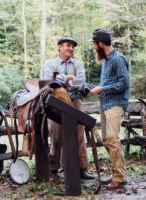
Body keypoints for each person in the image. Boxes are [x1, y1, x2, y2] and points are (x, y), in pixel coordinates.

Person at [44, 36, 94, 180]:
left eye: (72, 46)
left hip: (75, 100)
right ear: (59, 46)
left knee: (79, 133)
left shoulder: (77, 64)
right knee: (56, 133)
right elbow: (49, 79)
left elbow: (81, 80)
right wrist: (67, 78)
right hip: (55, 101)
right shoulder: (50, 63)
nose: (71, 48)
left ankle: (81, 169)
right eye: (68, 45)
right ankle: (53, 170)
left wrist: (62, 79)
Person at [90, 28, 129, 190]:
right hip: (106, 105)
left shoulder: (118, 59)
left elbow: (123, 83)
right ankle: (116, 174)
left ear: (100, 43)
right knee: (107, 140)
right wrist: (98, 88)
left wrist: (104, 89)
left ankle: (120, 178)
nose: (93, 46)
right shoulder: (106, 60)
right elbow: (108, 84)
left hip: (116, 104)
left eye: (94, 43)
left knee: (112, 139)